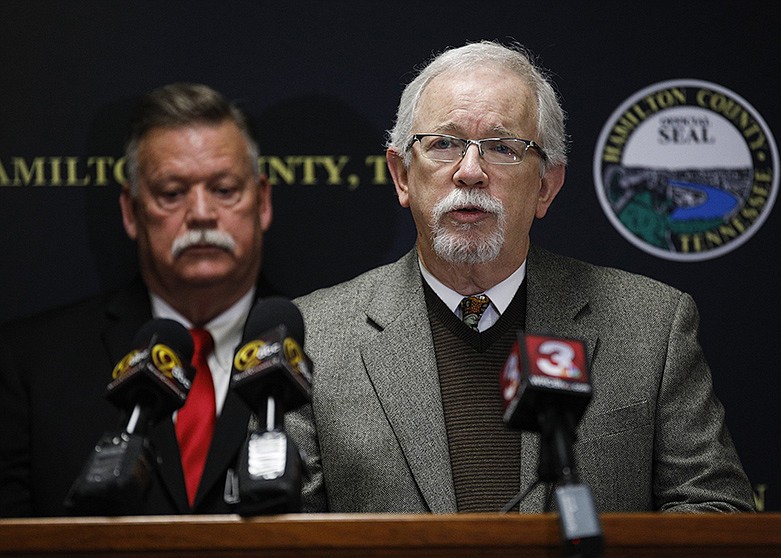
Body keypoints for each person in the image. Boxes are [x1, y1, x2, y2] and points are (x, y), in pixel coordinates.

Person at [286, 41, 755, 513]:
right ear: (402, 175)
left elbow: (718, 513)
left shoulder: (651, 325)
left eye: (503, 148)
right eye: (444, 144)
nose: (470, 172)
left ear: (546, 186)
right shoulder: (314, 337)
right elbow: (282, 537)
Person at [0, 83, 274, 516]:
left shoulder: (327, 348)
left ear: (262, 202)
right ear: (131, 211)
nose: (201, 213)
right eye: (172, 193)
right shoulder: (32, 364)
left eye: (224, 189)